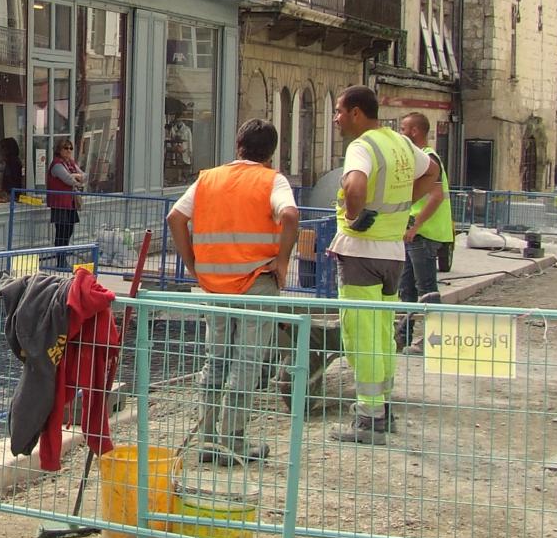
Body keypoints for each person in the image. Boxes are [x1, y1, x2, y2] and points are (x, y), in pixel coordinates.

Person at [167, 119, 299, 464]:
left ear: (237, 145)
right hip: (256, 281)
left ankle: (209, 440)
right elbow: (290, 214)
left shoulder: (208, 179)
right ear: (270, 152)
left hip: (214, 284)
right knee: (247, 361)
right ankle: (233, 441)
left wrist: (193, 263)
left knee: (217, 360)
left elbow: (175, 218)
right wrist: (282, 262)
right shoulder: (273, 180)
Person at [329, 86, 438, 444]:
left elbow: (356, 184)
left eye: (340, 111)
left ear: (357, 113)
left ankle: (367, 418)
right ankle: (382, 407)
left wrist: (354, 213)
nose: (337, 118)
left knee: (361, 333)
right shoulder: (400, 142)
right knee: (381, 332)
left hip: (361, 251)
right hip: (393, 253)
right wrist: (404, 203)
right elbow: (432, 171)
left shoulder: (362, 146)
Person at [396, 112, 453, 353]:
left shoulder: (429, 159)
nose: (401, 133)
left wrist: (416, 225)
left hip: (424, 233)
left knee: (426, 288)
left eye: (403, 128)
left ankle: (435, 341)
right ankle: (403, 338)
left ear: (415, 131)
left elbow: (436, 196)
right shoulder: (422, 159)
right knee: (407, 288)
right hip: (416, 233)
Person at [47, 138, 85, 248]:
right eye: (66, 148)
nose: (69, 150)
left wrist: (77, 177)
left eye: (71, 148)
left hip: (70, 202)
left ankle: (63, 256)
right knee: (62, 231)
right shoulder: (57, 164)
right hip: (59, 203)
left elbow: (84, 176)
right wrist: (77, 178)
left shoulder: (71, 163)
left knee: (69, 229)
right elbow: (68, 179)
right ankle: (60, 259)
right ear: (59, 149)